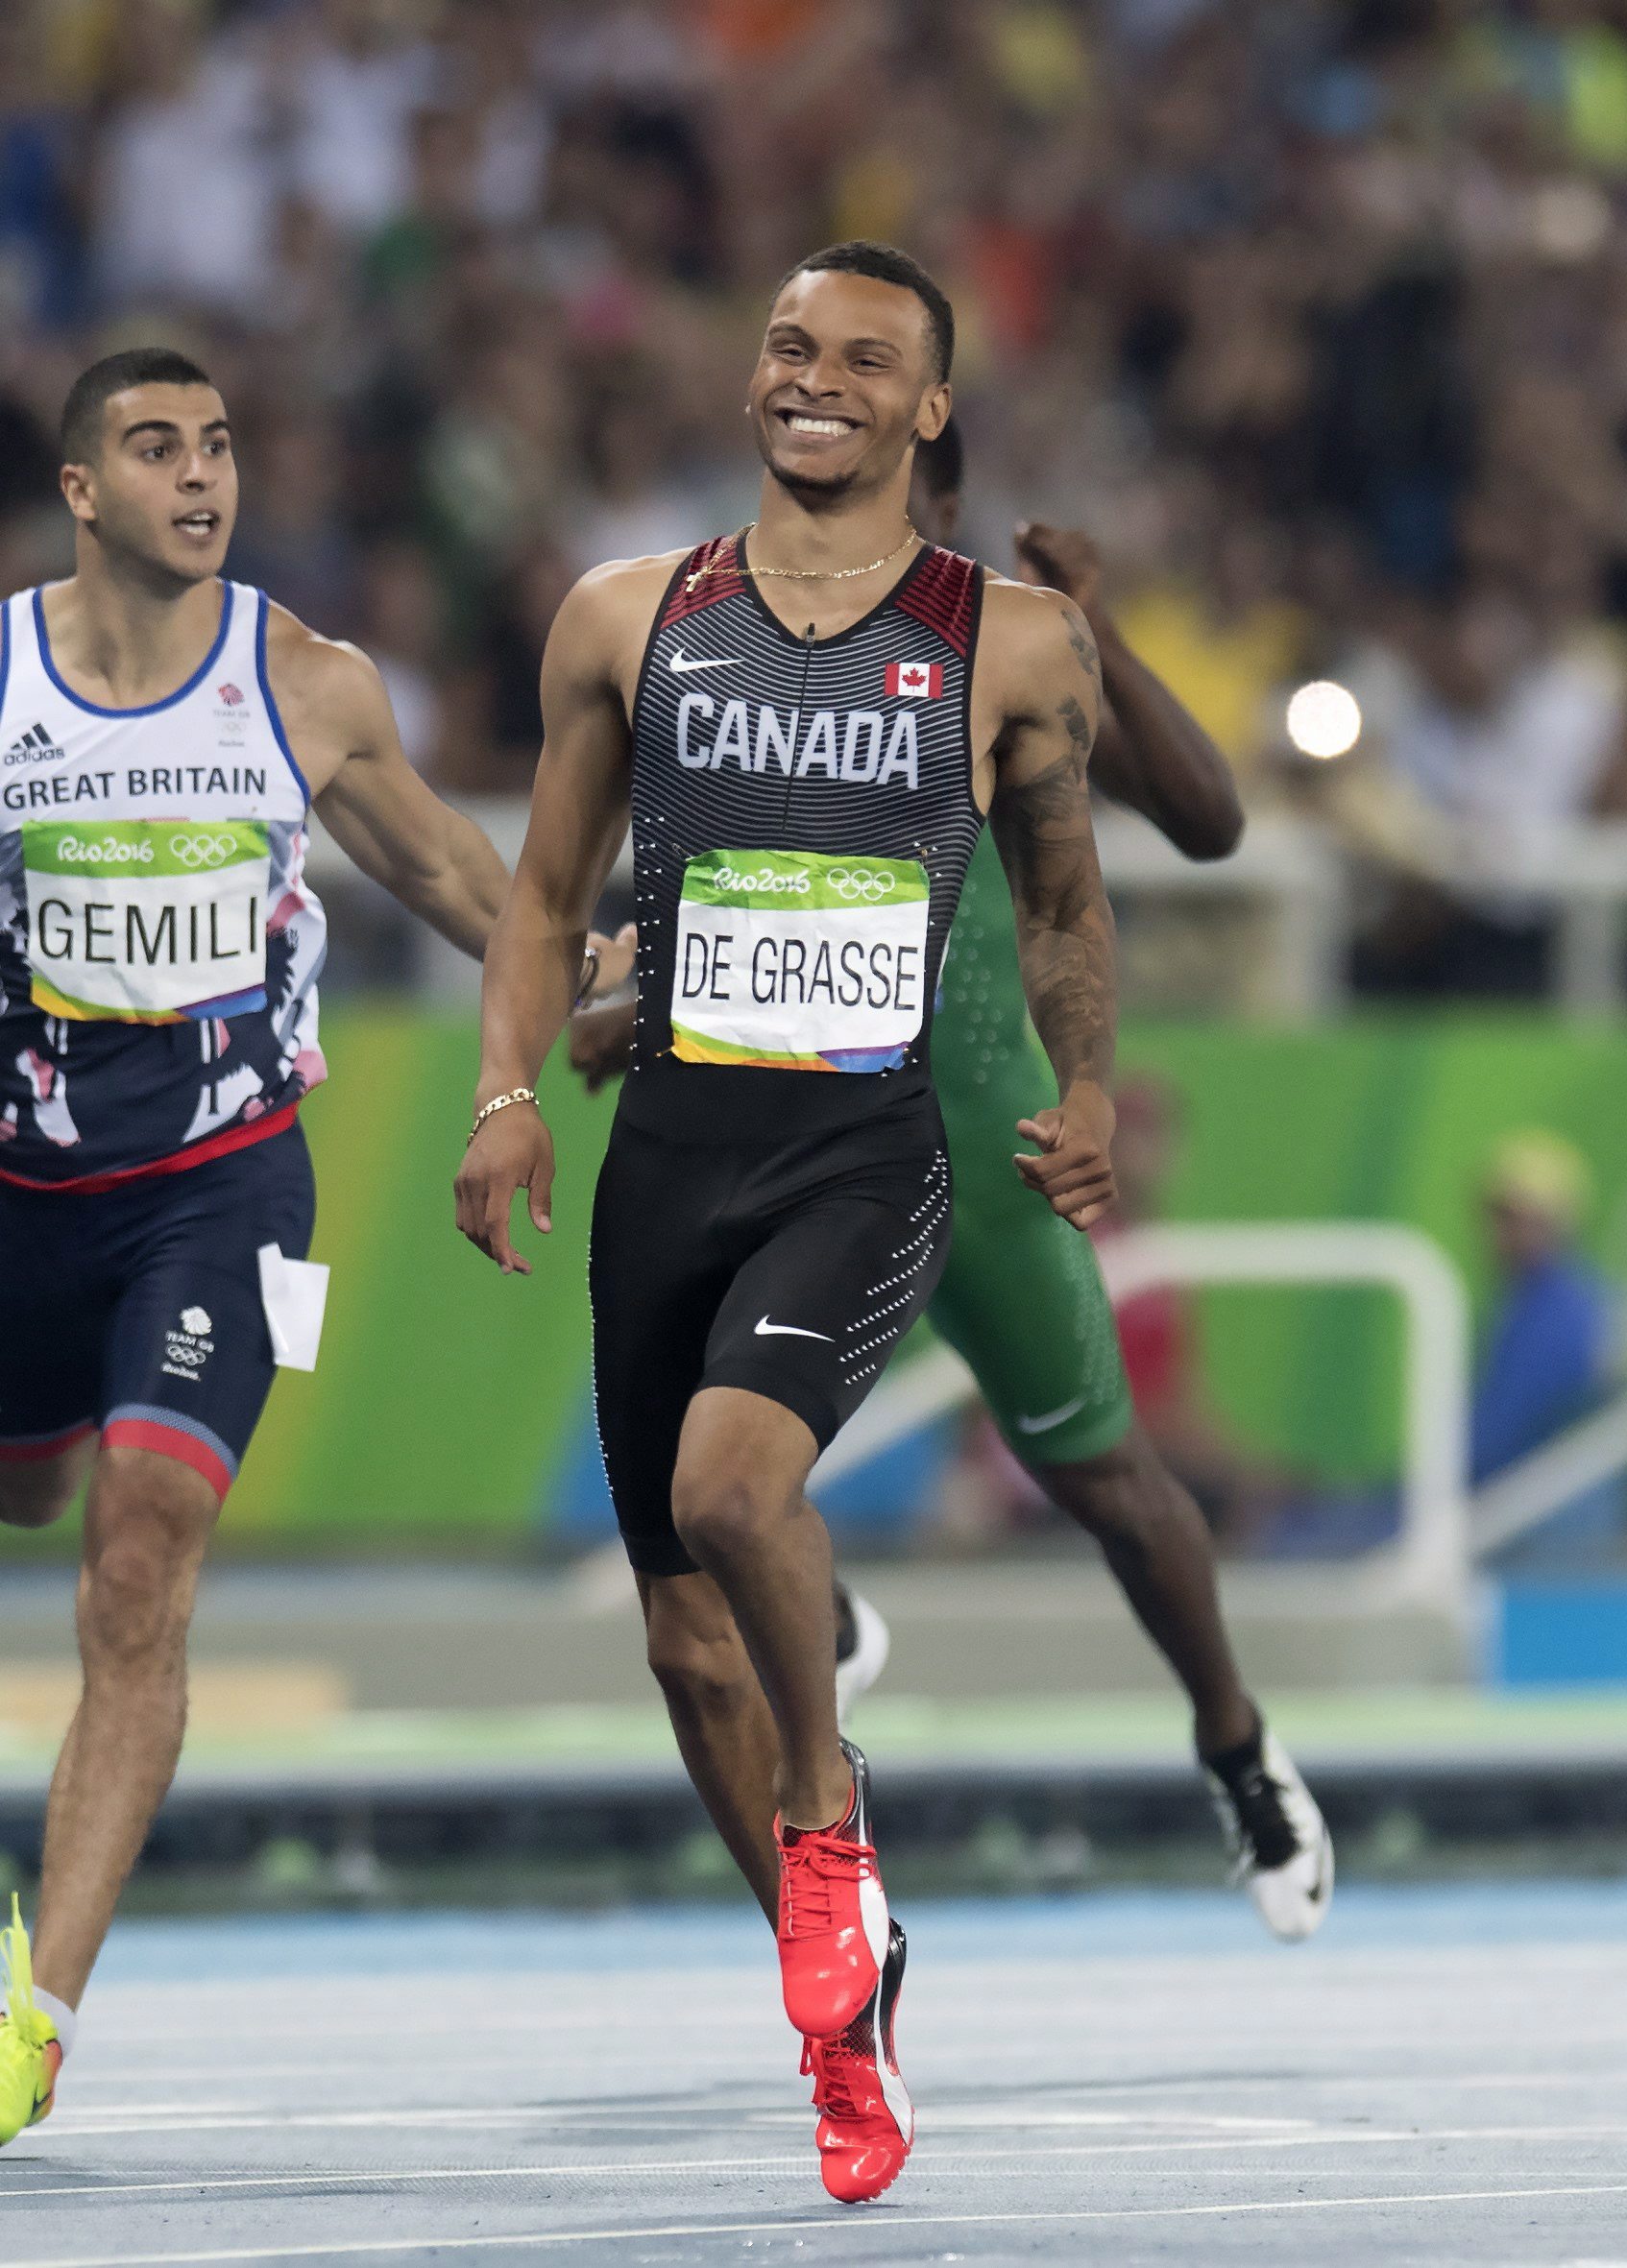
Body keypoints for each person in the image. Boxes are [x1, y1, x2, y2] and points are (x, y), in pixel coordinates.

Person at [452, 243, 1107, 2205]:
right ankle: (839, 1997)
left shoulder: (1013, 643)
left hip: (860, 1153)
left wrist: (1080, 1087)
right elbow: (545, 890)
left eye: (866, 360)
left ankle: (831, 1819)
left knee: (739, 1494)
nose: (814, 378)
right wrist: (502, 1095)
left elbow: (1068, 903)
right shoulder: (624, 616)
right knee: (676, 1634)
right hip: (669, 1156)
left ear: (928, 407)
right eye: (790, 346)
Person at [564, 419, 1332, 1941]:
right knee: (721, 1484)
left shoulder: (999, 657)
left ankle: (1236, 1741)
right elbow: (741, 877)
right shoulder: (741, 641)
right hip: (780, 1140)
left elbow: (1212, 822)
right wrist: (638, 984)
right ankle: (829, 1760)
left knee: (1108, 1475)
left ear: (942, 497)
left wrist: (1094, 625)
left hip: (974, 1157)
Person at [0, 349, 608, 2147]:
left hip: (222, 1187)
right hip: (19, 1191)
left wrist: (595, 993)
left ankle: (34, 2017)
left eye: (222, 446)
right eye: (156, 448)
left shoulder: (309, 685)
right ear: (84, 488)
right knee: (34, 1502)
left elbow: (451, 876)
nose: (201, 476)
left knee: (141, 1555)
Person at [1470, 1127, 1627, 1563]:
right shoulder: (1533, 1304)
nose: (1497, 1231)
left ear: (1556, 1221)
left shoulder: (1562, 1315)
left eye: (1513, 1216)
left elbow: (1492, 1442)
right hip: (1538, 1530)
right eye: (1494, 1215)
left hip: (1550, 1546)